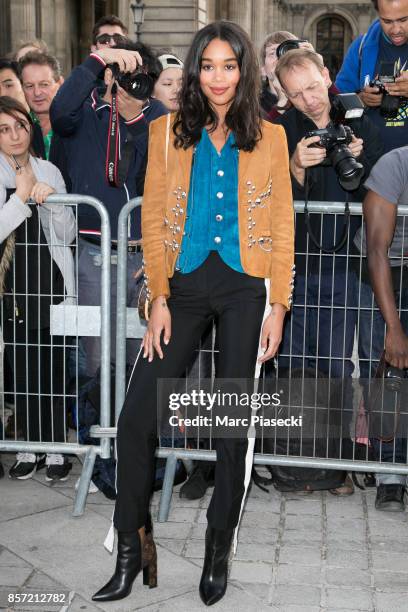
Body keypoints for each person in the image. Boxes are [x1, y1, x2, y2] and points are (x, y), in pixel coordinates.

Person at [93, 20, 294, 605]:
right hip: (182, 286)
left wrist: (278, 305)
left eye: (229, 66)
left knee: (232, 427)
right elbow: (153, 219)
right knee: (136, 418)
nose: (218, 77)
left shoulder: (271, 137)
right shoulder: (167, 133)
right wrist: (156, 297)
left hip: (244, 287)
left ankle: (216, 548)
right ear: (195, 70)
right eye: (208, 66)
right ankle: (134, 552)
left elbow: (282, 225)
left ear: (244, 70)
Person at [274, 49, 383, 489]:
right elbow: (267, 197)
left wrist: (363, 158)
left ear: (326, 75)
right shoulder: (282, 130)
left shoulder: (361, 117)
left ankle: (337, 461)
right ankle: (298, 459)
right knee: (297, 364)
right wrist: (296, 165)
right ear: (285, 95)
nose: (310, 101)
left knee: (339, 367)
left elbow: (385, 191)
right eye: (296, 94)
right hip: (299, 263)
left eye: (313, 88)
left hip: (350, 265)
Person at [50, 41, 167, 378]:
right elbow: (59, 114)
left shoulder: (157, 114)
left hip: (144, 257)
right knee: (95, 357)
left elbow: (165, 168)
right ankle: (93, 429)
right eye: (128, 75)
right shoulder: (83, 109)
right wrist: (97, 61)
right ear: (111, 74)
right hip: (93, 252)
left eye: (143, 79)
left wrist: (134, 122)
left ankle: (135, 430)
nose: (135, 86)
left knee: (142, 354)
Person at [0, 96, 75, 481]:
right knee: (24, 368)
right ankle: (30, 446)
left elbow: (68, 233)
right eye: (4, 129)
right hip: (13, 288)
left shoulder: (49, 168)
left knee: (55, 368)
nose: (14, 136)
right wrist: (20, 197)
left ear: (31, 127)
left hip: (52, 281)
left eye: (20, 126)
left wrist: (51, 203)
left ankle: (58, 448)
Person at [357, 145, 408, 510]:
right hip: (388, 271)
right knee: (389, 374)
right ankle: (389, 475)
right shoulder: (395, 164)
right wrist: (394, 327)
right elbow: (378, 249)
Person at [335, 0, 408, 154]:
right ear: (378, 13)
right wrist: (360, 99)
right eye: (387, 21)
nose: (396, 30)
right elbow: (335, 103)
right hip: (372, 161)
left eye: (403, 20)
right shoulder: (360, 48)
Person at [18, 52, 64, 161]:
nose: (37, 92)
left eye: (44, 84)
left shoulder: (78, 123)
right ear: (22, 89)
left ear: (60, 84)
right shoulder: (17, 130)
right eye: (29, 86)